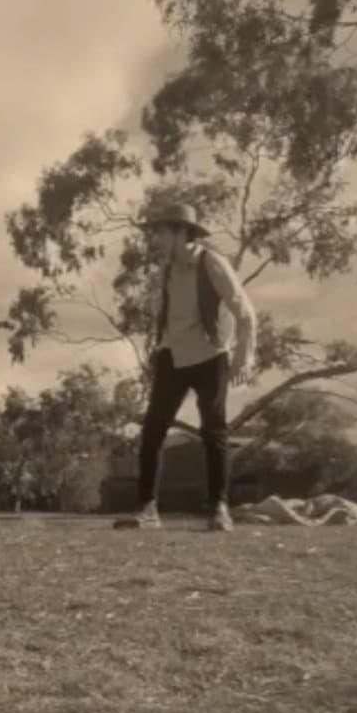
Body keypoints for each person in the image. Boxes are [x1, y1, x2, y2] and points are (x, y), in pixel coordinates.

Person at [127, 203, 257, 532]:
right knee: (153, 430)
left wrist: (244, 354)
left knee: (214, 431)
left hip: (210, 355)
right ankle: (148, 509)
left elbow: (245, 313)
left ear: (181, 232)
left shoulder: (212, 263)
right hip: (172, 355)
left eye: (160, 232)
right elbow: (169, 315)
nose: (154, 238)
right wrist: (158, 352)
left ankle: (219, 509)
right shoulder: (167, 269)